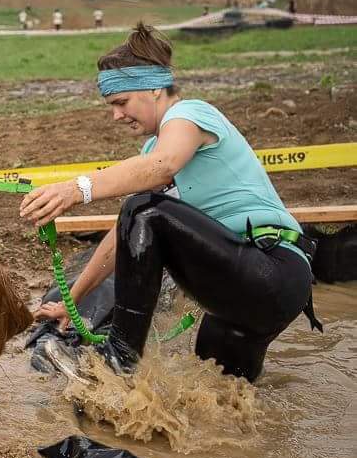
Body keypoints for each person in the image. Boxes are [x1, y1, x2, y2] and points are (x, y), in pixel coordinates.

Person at [19, 23, 320, 382]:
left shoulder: (190, 114)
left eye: (121, 102)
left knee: (143, 209)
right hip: (241, 303)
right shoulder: (154, 147)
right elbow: (123, 238)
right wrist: (72, 302)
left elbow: (161, 168)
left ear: (154, 88)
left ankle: (120, 357)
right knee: (223, 396)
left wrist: (76, 189)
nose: (116, 116)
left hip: (272, 270)